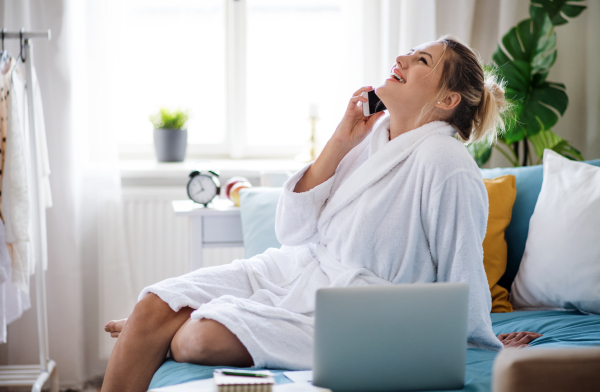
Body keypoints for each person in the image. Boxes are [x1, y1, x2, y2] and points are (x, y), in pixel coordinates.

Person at [101, 36, 542, 392]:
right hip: (291, 271)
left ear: (447, 99)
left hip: (357, 314)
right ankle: (160, 324)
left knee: (195, 339)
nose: (402, 58)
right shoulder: (373, 137)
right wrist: (340, 139)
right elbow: (292, 231)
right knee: (151, 305)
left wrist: (475, 340)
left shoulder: (446, 163)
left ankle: (169, 327)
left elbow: (460, 268)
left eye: (421, 59)